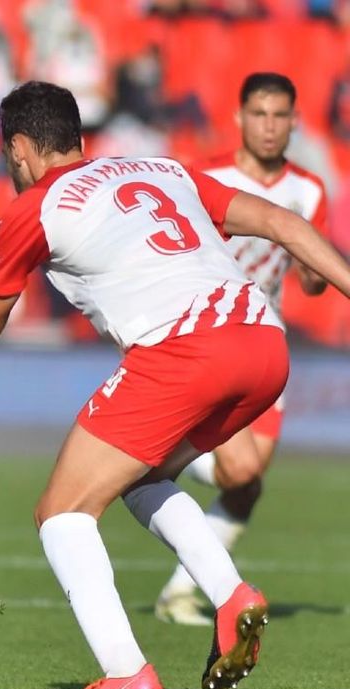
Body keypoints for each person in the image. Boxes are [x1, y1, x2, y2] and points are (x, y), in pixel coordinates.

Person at [0, 81, 350, 689]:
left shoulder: (35, 207)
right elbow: (283, 224)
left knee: (62, 513)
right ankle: (232, 595)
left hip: (185, 352)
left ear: (18, 149)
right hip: (265, 347)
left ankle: (126, 673)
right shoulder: (161, 168)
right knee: (144, 476)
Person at [155, 72, 330, 626]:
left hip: (267, 343)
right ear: (239, 118)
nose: (270, 126)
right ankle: (155, 460)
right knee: (239, 470)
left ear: (295, 122)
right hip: (210, 336)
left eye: (280, 116)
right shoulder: (208, 176)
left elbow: (313, 282)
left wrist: (311, 268)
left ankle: (178, 595)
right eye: (259, 114)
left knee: (247, 486)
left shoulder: (308, 190)